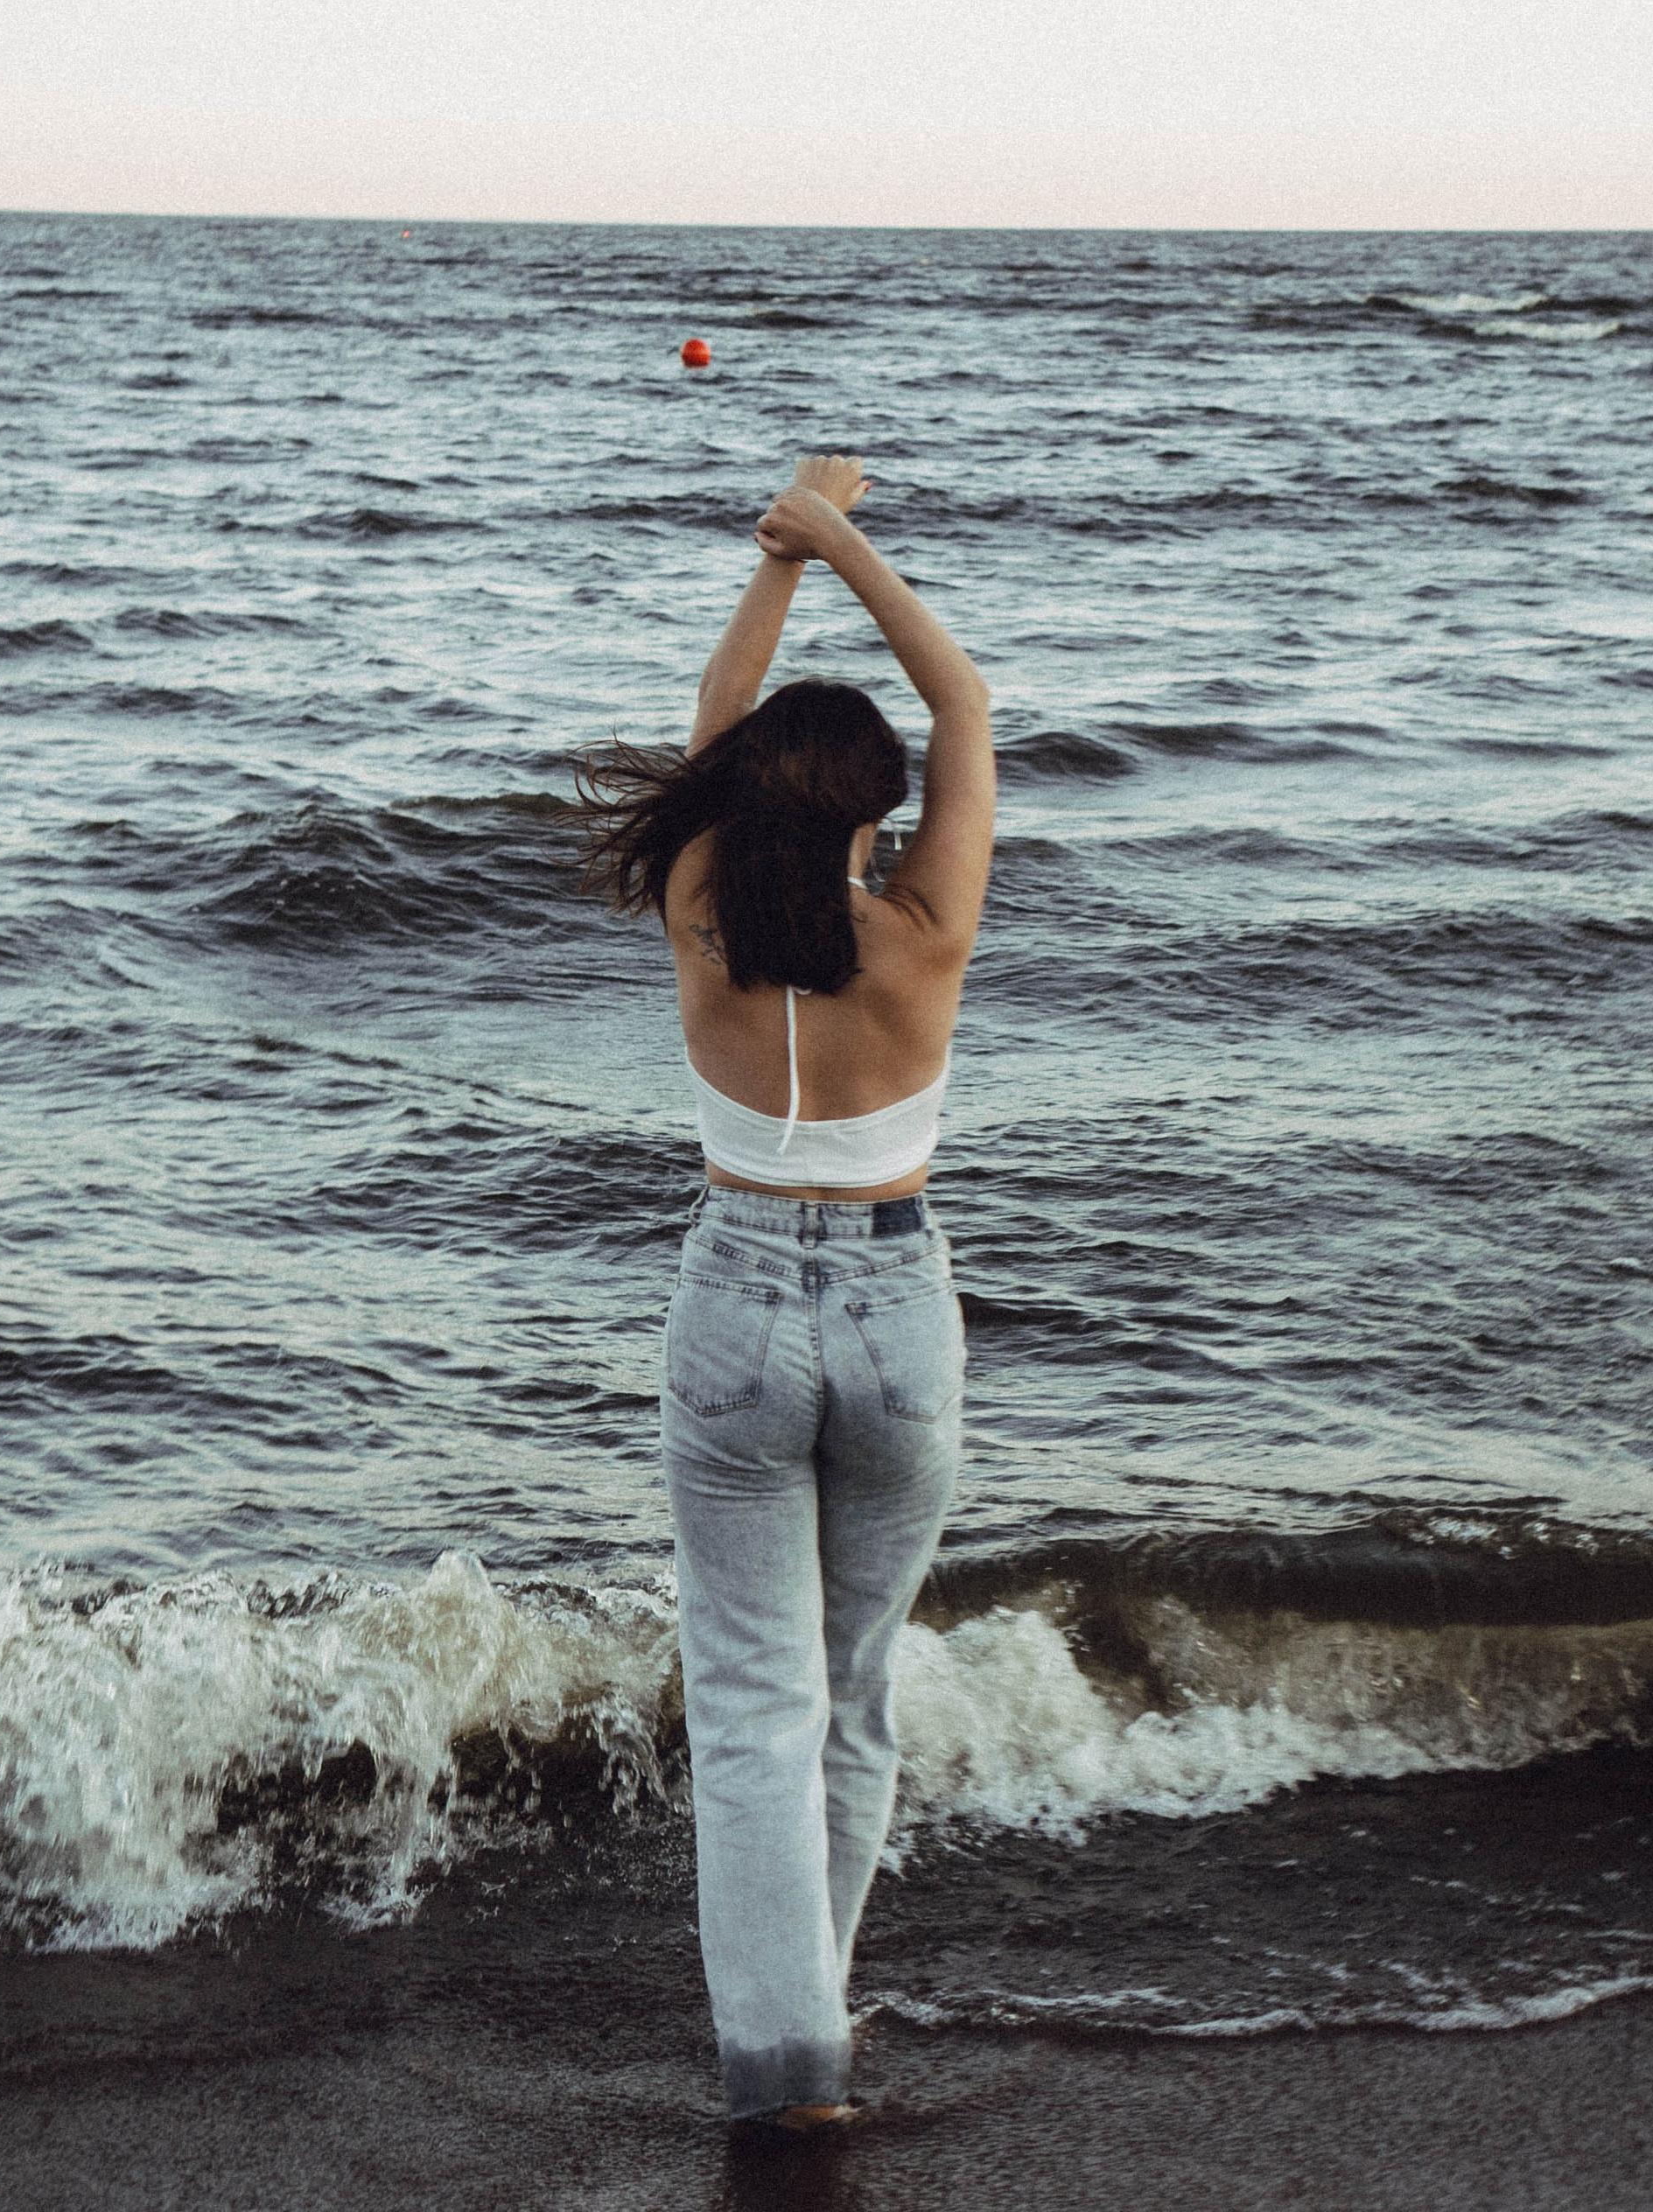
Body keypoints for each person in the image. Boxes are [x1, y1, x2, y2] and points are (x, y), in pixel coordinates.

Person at [578, 453, 995, 2128]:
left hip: (735, 1302)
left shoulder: (698, 912)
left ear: (744, 804)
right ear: (872, 819)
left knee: (753, 1701)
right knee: (855, 1689)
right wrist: (847, 544)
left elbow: (713, 716)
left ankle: (785, 2064)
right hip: (898, 1315)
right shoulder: (923, 933)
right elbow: (962, 699)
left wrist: (774, 560)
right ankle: (814, 2018)